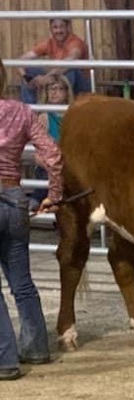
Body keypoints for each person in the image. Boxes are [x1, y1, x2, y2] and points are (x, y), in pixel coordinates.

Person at [0, 56, 63, 380]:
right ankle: (37, 347)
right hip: (14, 199)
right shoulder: (21, 111)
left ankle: (5, 359)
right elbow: (52, 154)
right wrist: (53, 194)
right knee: (22, 282)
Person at [17, 18, 91, 104]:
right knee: (29, 71)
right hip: (56, 78)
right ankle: (31, 112)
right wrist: (27, 78)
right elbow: (21, 60)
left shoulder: (75, 42)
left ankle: (63, 109)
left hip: (80, 86)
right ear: (51, 29)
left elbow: (71, 60)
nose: (58, 30)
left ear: (68, 27)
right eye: (55, 27)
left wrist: (46, 78)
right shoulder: (49, 43)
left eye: (61, 27)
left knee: (70, 70)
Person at [30, 73, 72, 208]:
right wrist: (54, 167)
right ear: (46, 92)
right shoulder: (44, 117)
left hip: (69, 162)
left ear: (66, 92)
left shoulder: (73, 115)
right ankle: (35, 205)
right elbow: (37, 155)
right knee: (48, 178)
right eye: (52, 89)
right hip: (48, 165)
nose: (55, 93)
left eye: (60, 89)